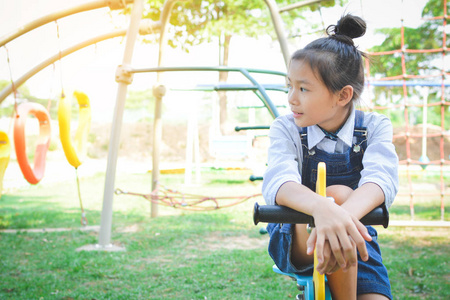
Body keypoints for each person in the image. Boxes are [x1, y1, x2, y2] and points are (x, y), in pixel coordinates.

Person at [262, 14, 399, 300]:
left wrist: (339, 217)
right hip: (297, 235)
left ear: (342, 96)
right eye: (290, 85)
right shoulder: (285, 128)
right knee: (335, 193)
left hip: (357, 241)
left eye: (303, 88)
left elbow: (381, 180)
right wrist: (323, 208)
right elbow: (279, 181)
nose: (291, 98)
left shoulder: (374, 127)